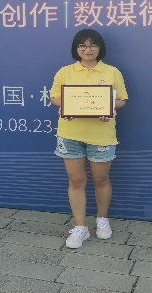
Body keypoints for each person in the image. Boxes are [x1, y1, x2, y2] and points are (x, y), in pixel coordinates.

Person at [50, 29, 128, 248]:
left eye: (93, 45)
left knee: (101, 179)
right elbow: (55, 98)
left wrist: (109, 107)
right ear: (76, 49)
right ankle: (80, 227)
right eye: (82, 45)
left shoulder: (112, 72)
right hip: (70, 134)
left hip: (101, 135)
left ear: (99, 48)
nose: (88, 50)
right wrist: (67, 106)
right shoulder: (65, 72)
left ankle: (102, 219)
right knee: (76, 181)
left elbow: (121, 100)